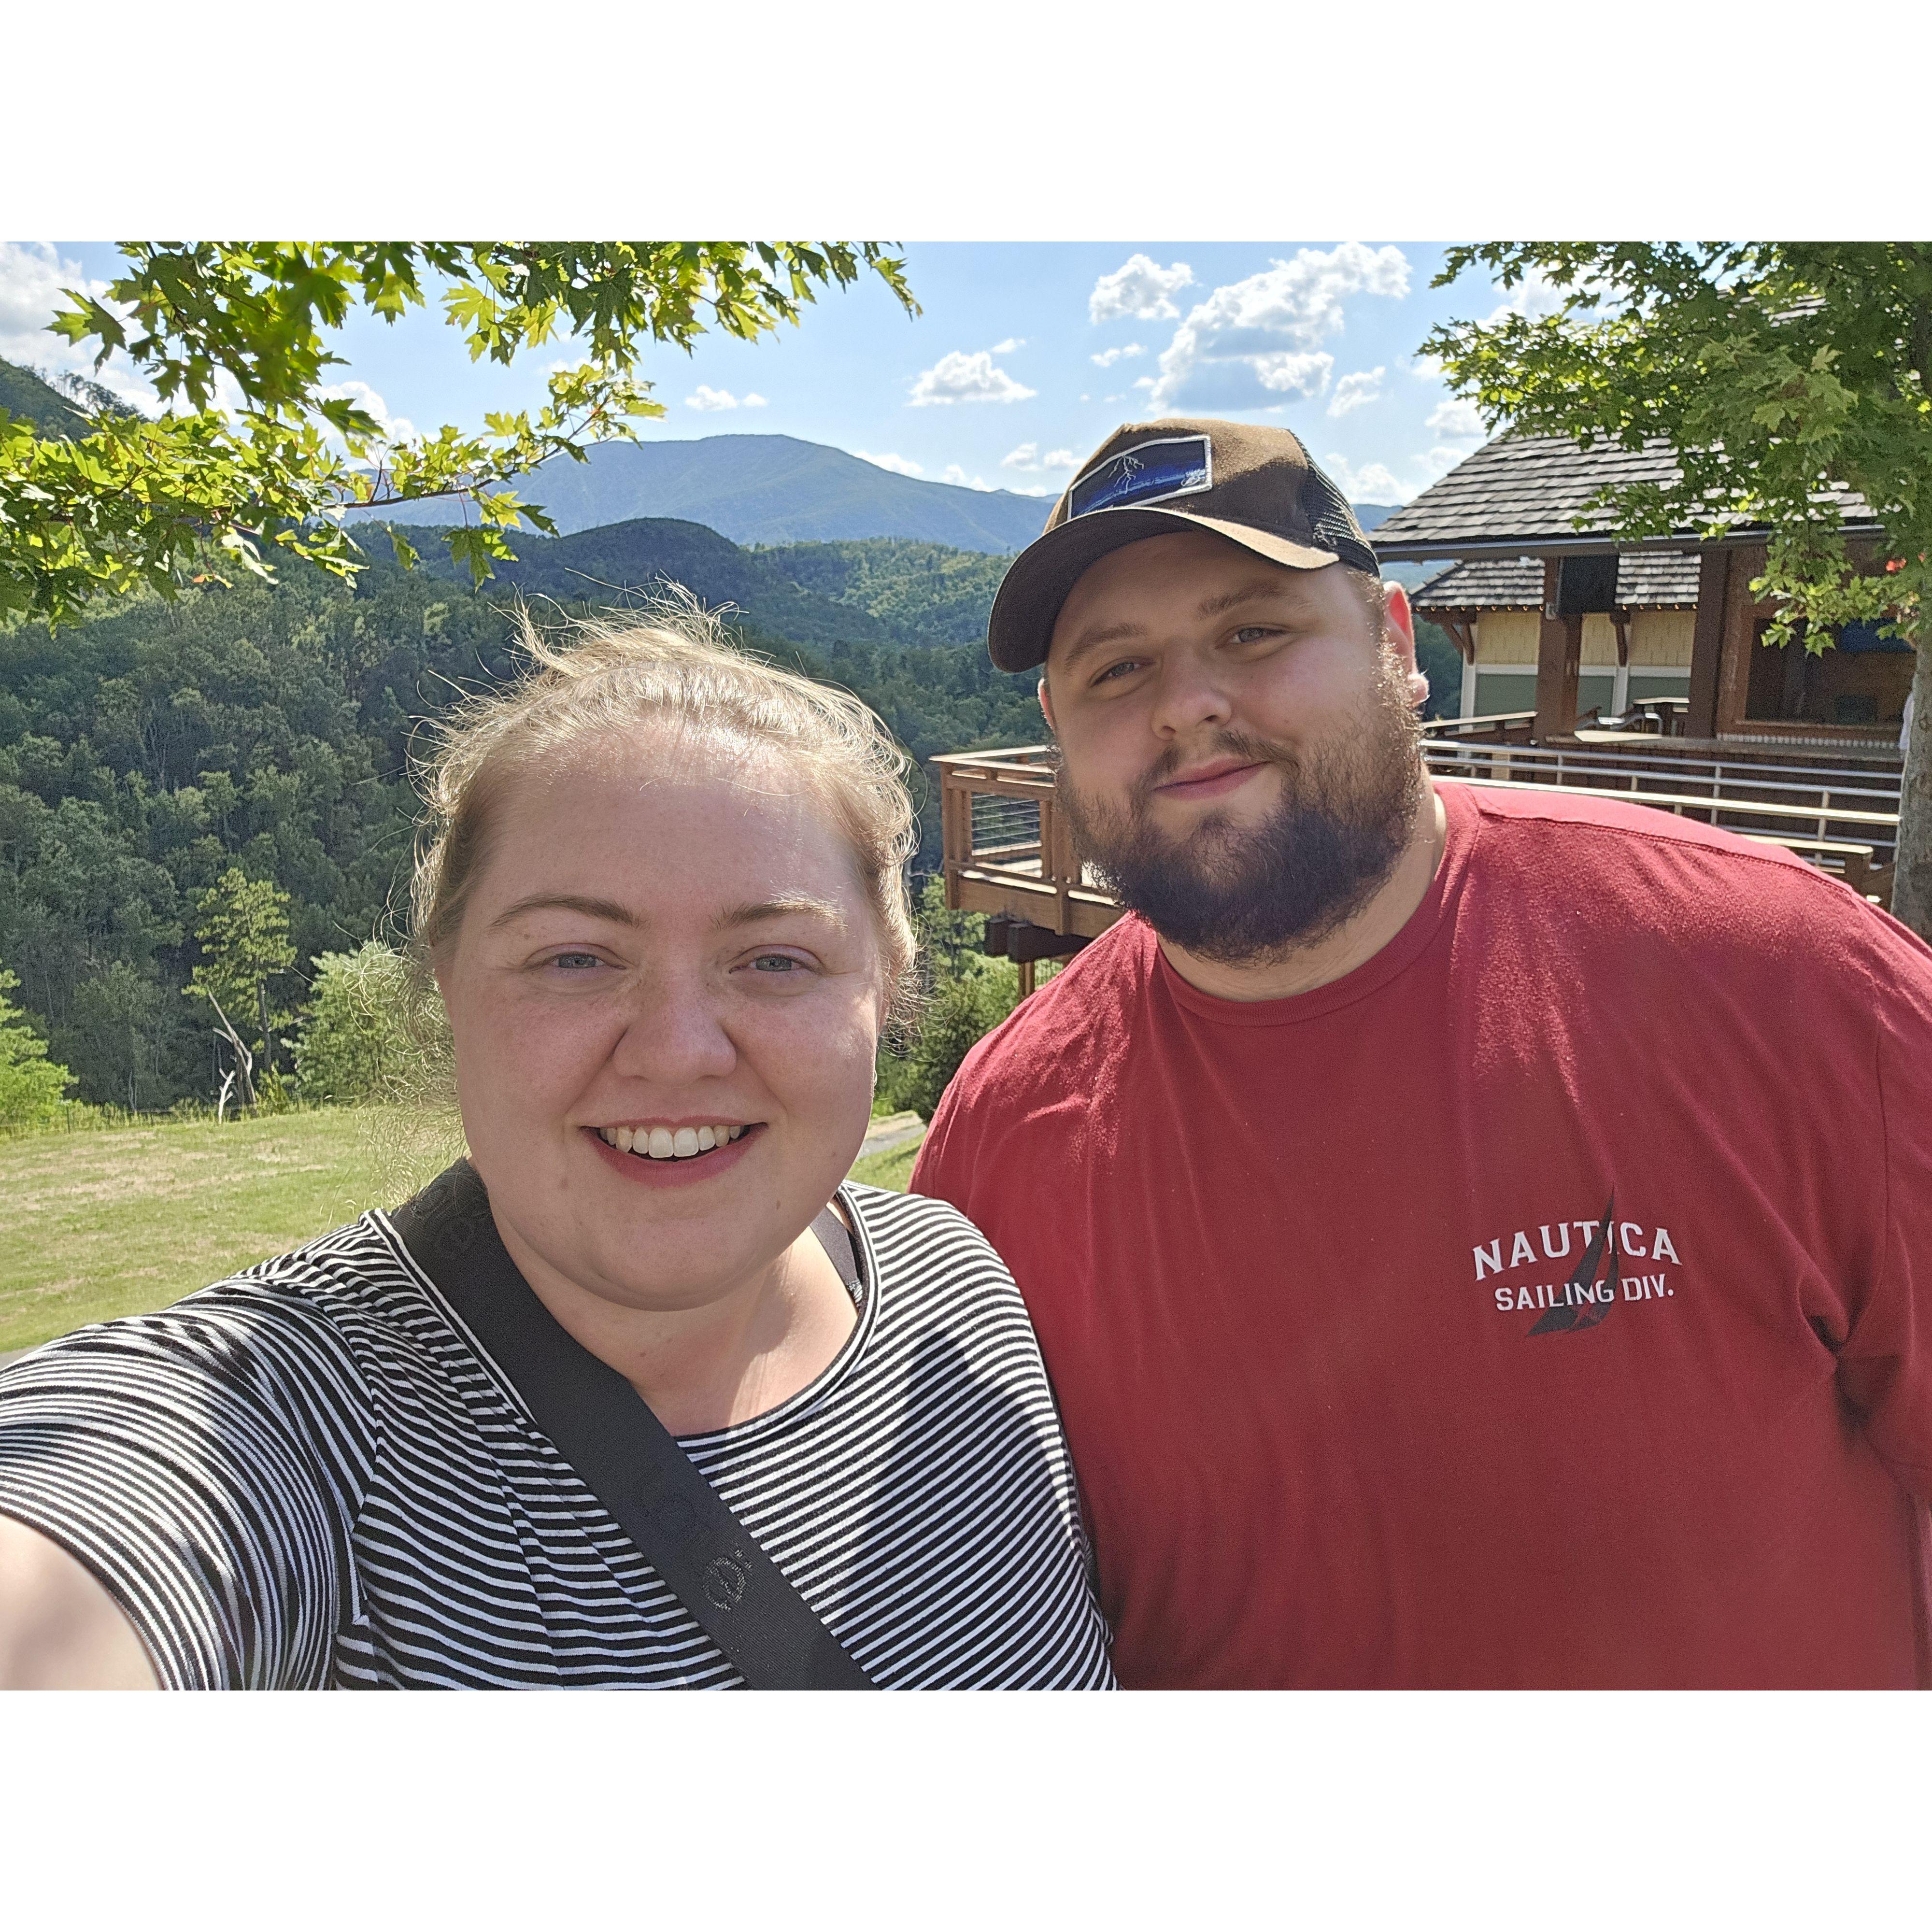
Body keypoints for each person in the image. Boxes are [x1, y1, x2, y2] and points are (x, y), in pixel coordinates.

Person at [911, 416, 1932, 1689]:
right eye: (1116, 669)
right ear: (1060, 727)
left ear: (1396, 647)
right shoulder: (999, 1139)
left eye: (1253, 632)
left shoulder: (1782, 980)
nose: (1187, 704)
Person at [0, 608, 1112, 1690]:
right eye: (575, 958)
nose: (676, 1050)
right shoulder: (295, 1425)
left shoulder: (955, 1284)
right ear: (448, 980)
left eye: (774, 959)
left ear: (886, 980)